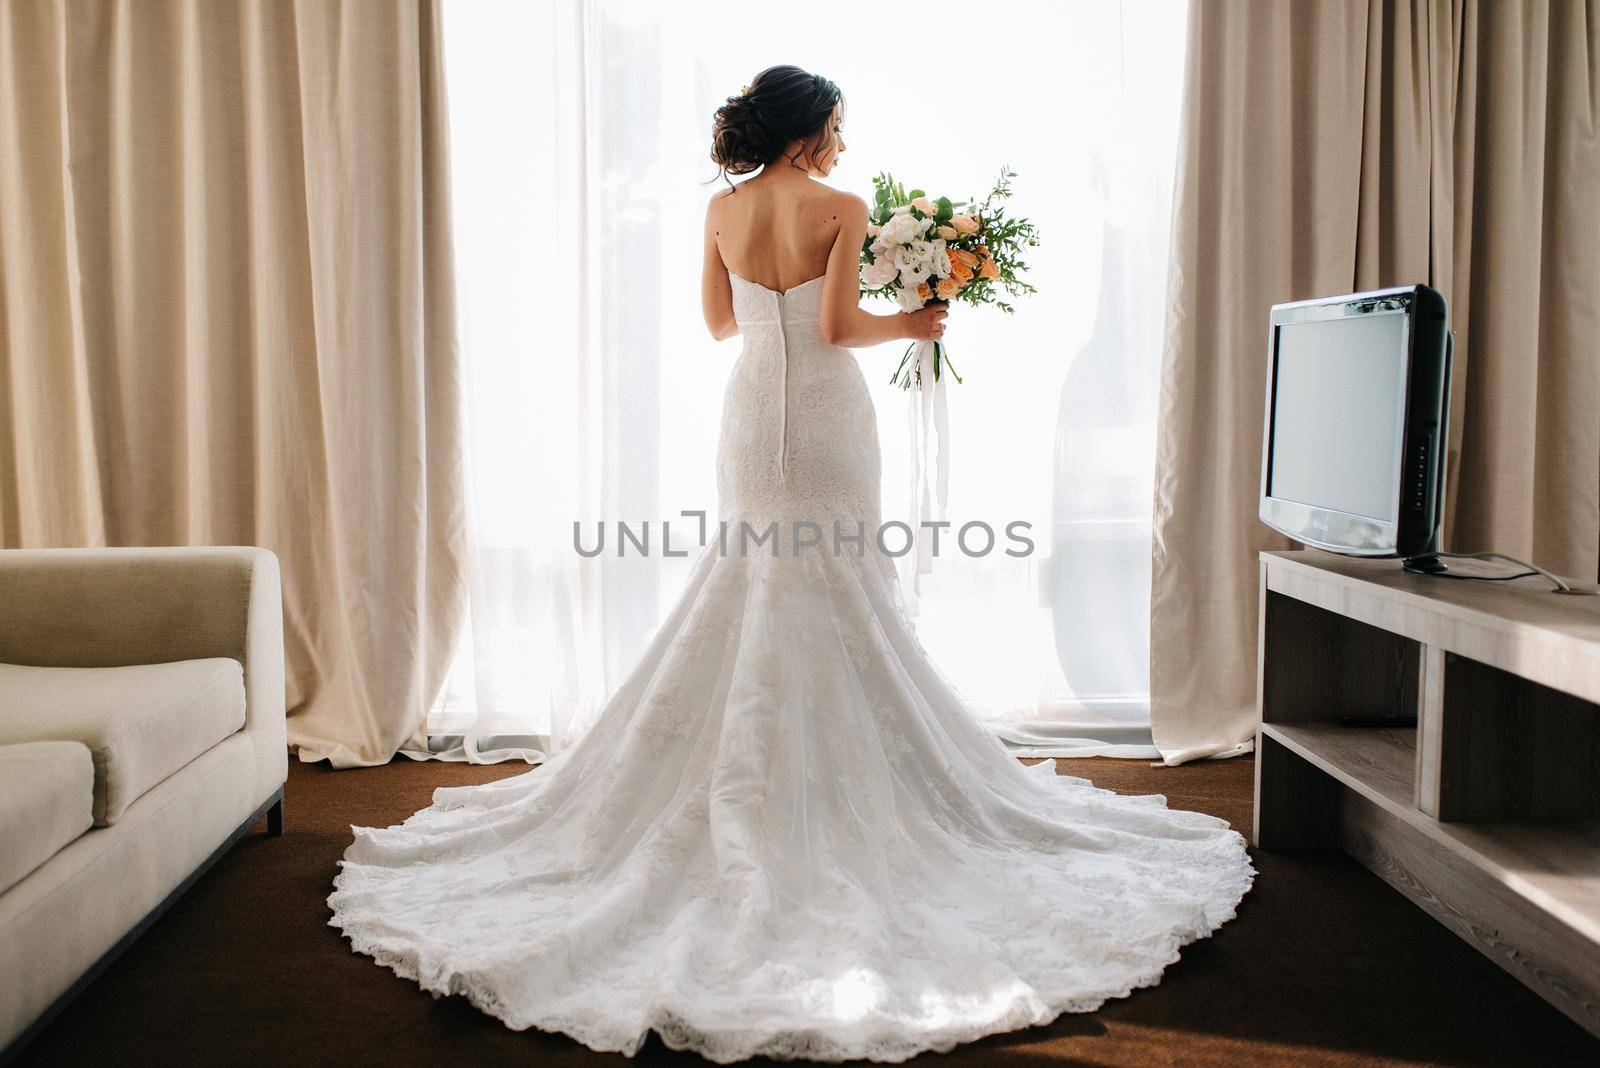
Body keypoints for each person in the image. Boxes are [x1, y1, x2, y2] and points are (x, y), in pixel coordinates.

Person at [329, 64, 1254, 1063]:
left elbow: (721, 324)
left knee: (749, 569)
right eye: (840, 127)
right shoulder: (840, 206)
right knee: (840, 577)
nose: (846, 146)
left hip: (749, 410)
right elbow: (838, 329)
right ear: (810, 129)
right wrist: (917, 320)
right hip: (825, 414)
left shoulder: (724, 212)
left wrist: (798, 301)